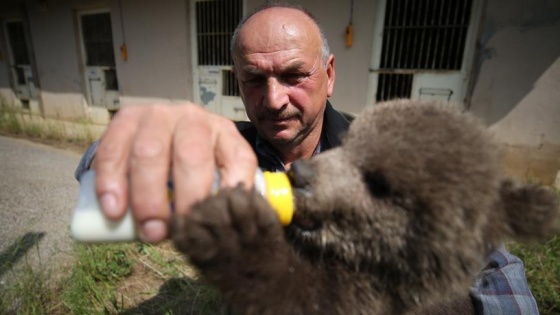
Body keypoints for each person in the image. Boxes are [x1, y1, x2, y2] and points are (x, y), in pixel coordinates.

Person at [75, 3, 539, 314]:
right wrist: (135, 143)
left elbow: (496, 266)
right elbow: (100, 168)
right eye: (254, 79)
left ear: (329, 74)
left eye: (295, 75)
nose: (274, 100)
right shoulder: (229, 156)